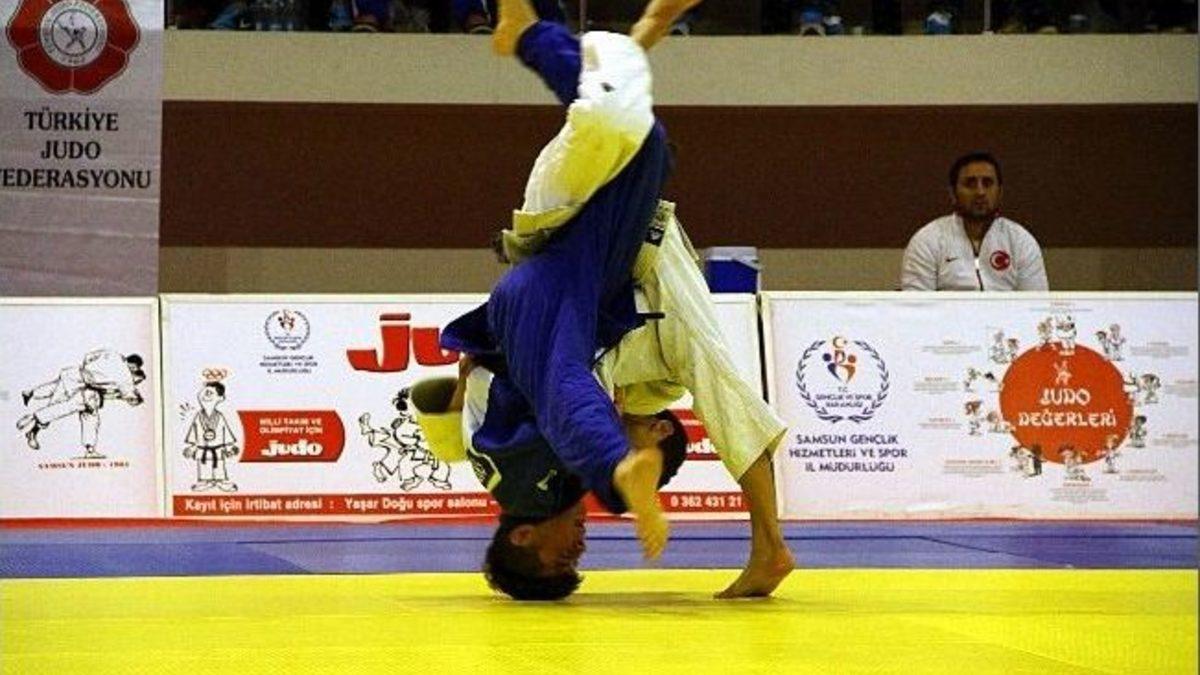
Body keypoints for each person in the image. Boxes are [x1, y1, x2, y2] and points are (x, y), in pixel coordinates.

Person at [900, 151, 1049, 291]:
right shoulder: (927, 240)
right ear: (952, 193)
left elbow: (1037, 303)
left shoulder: (1021, 241)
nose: (980, 192)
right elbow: (915, 305)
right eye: (970, 184)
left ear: (1000, 192)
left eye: (987, 183)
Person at [17, 349, 146, 457]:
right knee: (57, 405)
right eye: (137, 380)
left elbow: (89, 356)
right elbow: (130, 396)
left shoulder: (113, 354)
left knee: (86, 414)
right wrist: (138, 399)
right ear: (134, 367)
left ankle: (90, 450)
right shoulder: (124, 377)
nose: (136, 382)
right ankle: (33, 423)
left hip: (87, 388)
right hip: (77, 381)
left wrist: (90, 373)